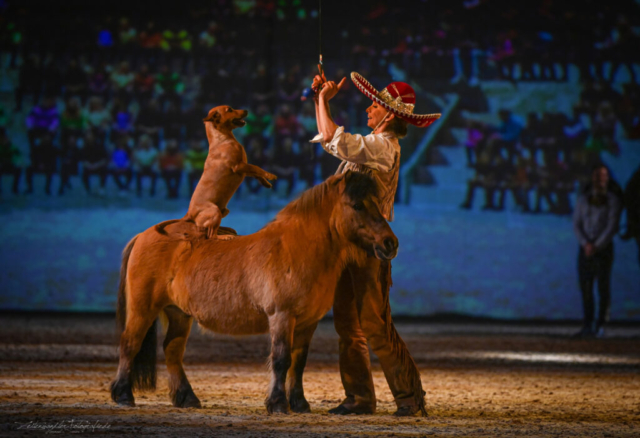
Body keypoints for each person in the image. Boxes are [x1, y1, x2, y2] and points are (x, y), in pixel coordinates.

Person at [310, 69, 440, 417]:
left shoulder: (383, 146)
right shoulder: (375, 145)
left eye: (375, 104)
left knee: (374, 325)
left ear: (388, 114)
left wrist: (322, 100)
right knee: (349, 326)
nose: (369, 108)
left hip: (369, 248)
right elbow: (332, 139)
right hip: (350, 246)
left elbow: (332, 139)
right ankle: (360, 398)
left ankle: (409, 398)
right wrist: (320, 101)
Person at [572, 164, 622, 338]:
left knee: (603, 287)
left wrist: (596, 245)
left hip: (603, 250)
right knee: (586, 287)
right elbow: (576, 224)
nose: (599, 180)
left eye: (603, 176)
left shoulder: (613, 200)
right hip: (585, 249)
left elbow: (611, 226)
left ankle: (601, 324)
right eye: (596, 176)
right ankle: (587, 323)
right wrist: (585, 244)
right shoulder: (583, 199)